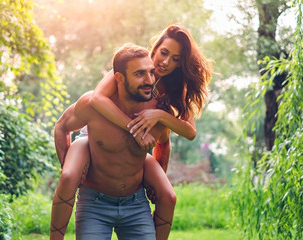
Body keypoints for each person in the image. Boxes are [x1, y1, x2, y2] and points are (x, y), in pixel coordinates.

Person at [51, 24, 212, 240]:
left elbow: (188, 133)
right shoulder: (130, 63)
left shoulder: (170, 94)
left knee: (167, 195)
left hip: (136, 152)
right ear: (154, 49)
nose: (166, 62)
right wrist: (134, 129)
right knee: (71, 171)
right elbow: (96, 99)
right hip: (98, 133)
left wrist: (160, 117)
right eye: (164, 53)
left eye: (176, 59)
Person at [54, 43, 169, 239]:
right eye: (139, 74)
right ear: (119, 78)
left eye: (151, 72)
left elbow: (164, 142)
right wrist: (70, 170)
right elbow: (61, 127)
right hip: (94, 204)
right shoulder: (92, 106)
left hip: (136, 204)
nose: (149, 80)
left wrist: (154, 180)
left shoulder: (157, 111)